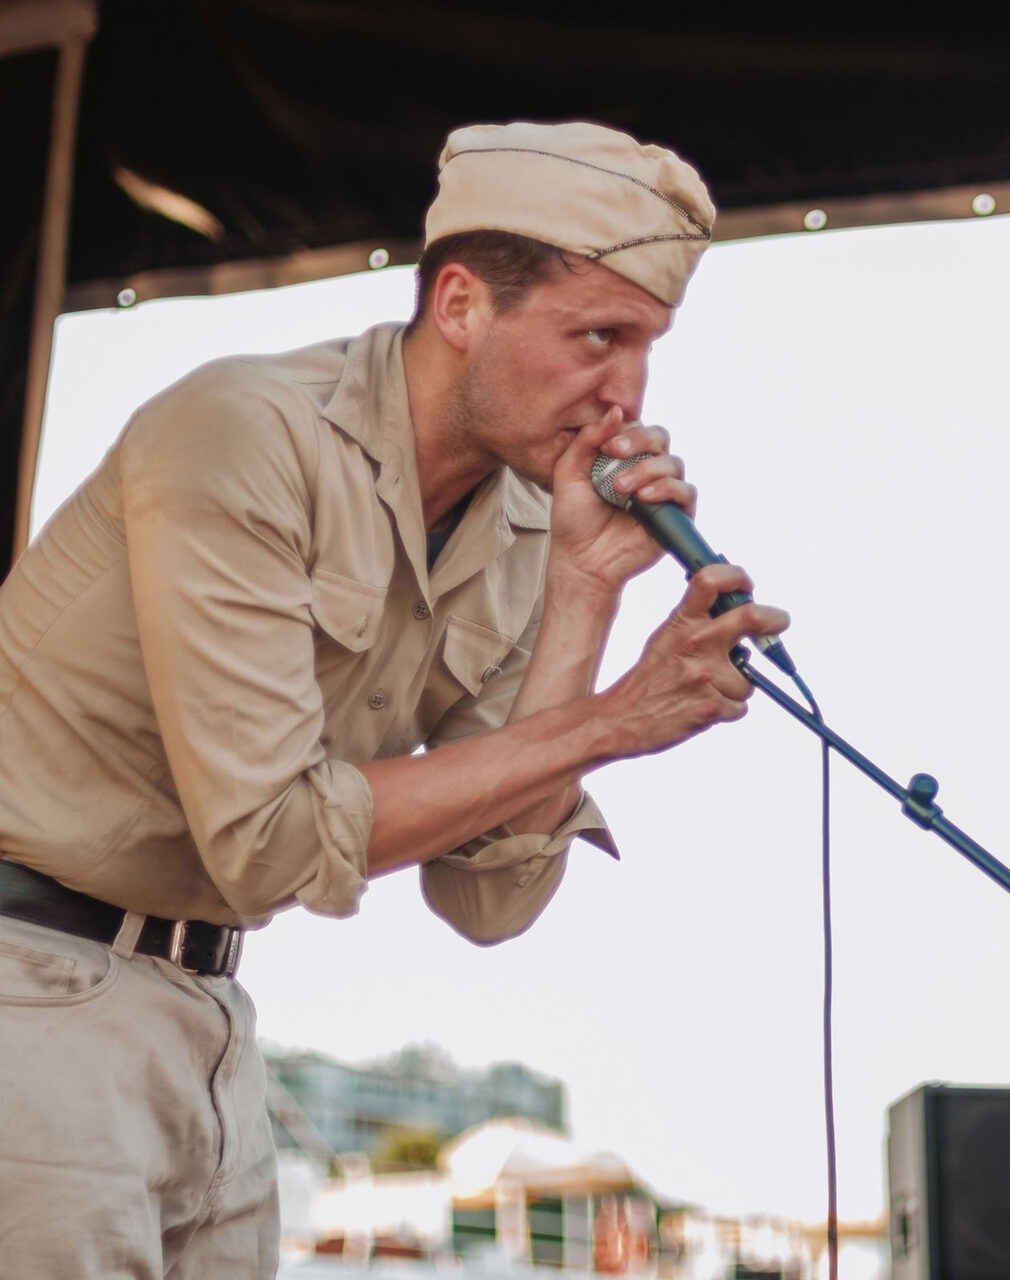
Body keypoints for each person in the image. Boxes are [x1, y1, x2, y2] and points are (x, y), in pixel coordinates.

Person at [0, 120, 786, 1276]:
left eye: (647, 349)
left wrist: (581, 595)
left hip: (209, 1013)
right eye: (597, 337)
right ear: (461, 305)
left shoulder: (527, 523)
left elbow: (485, 899)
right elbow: (271, 841)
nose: (625, 394)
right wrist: (616, 719)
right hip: (34, 988)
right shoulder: (242, 432)